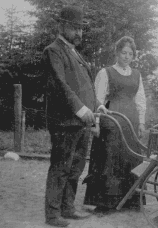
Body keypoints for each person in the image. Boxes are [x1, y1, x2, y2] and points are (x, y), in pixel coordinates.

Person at [42, 5, 106, 227]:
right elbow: (60, 86)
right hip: (65, 121)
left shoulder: (75, 52)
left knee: (76, 167)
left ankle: (68, 208)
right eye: (74, 28)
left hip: (82, 122)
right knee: (60, 167)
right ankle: (52, 215)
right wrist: (81, 109)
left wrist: (97, 104)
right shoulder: (53, 51)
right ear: (62, 26)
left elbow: (84, 86)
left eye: (81, 28)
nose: (79, 33)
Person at [83, 36, 146, 211]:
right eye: (123, 53)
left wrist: (141, 122)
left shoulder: (136, 75)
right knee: (110, 157)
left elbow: (141, 100)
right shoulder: (106, 72)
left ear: (133, 56)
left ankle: (130, 200)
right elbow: (97, 99)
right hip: (111, 120)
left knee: (131, 157)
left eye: (130, 54)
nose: (126, 56)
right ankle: (105, 202)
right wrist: (95, 122)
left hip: (131, 121)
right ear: (117, 53)